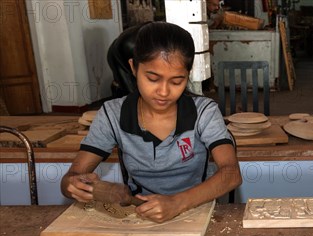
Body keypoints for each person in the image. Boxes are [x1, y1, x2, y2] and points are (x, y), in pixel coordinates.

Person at [61, 22, 242, 223]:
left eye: (176, 81)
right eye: (153, 78)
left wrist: (176, 203)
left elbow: (231, 173)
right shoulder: (112, 114)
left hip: (195, 209)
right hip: (139, 213)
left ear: (187, 76)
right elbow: (71, 177)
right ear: (133, 67)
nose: (164, 92)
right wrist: (74, 184)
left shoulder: (203, 112)